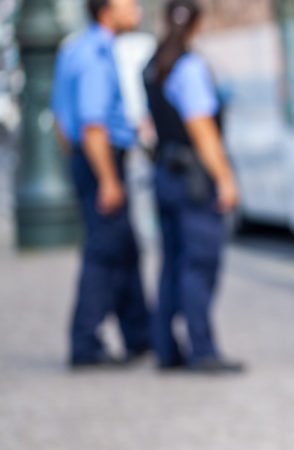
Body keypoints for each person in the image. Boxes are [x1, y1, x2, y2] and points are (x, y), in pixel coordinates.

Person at [51, 0, 152, 369]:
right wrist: (108, 178)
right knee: (104, 253)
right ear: (106, 10)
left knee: (124, 249)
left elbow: (63, 124)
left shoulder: (75, 49)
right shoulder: (95, 54)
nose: (137, 9)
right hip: (102, 162)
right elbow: (93, 125)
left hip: (89, 161)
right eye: (129, 3)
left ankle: (141, 334)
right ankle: (85, 343)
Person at [143, 0, 242, 373]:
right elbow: (202, 130)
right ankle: (202, 350)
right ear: (197, 24)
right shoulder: (190, 67)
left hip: (165, 175)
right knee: (199, 265)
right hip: (194, 180)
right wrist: (226, 179)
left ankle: (166, 349)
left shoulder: (153, 67)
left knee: (171, 264)